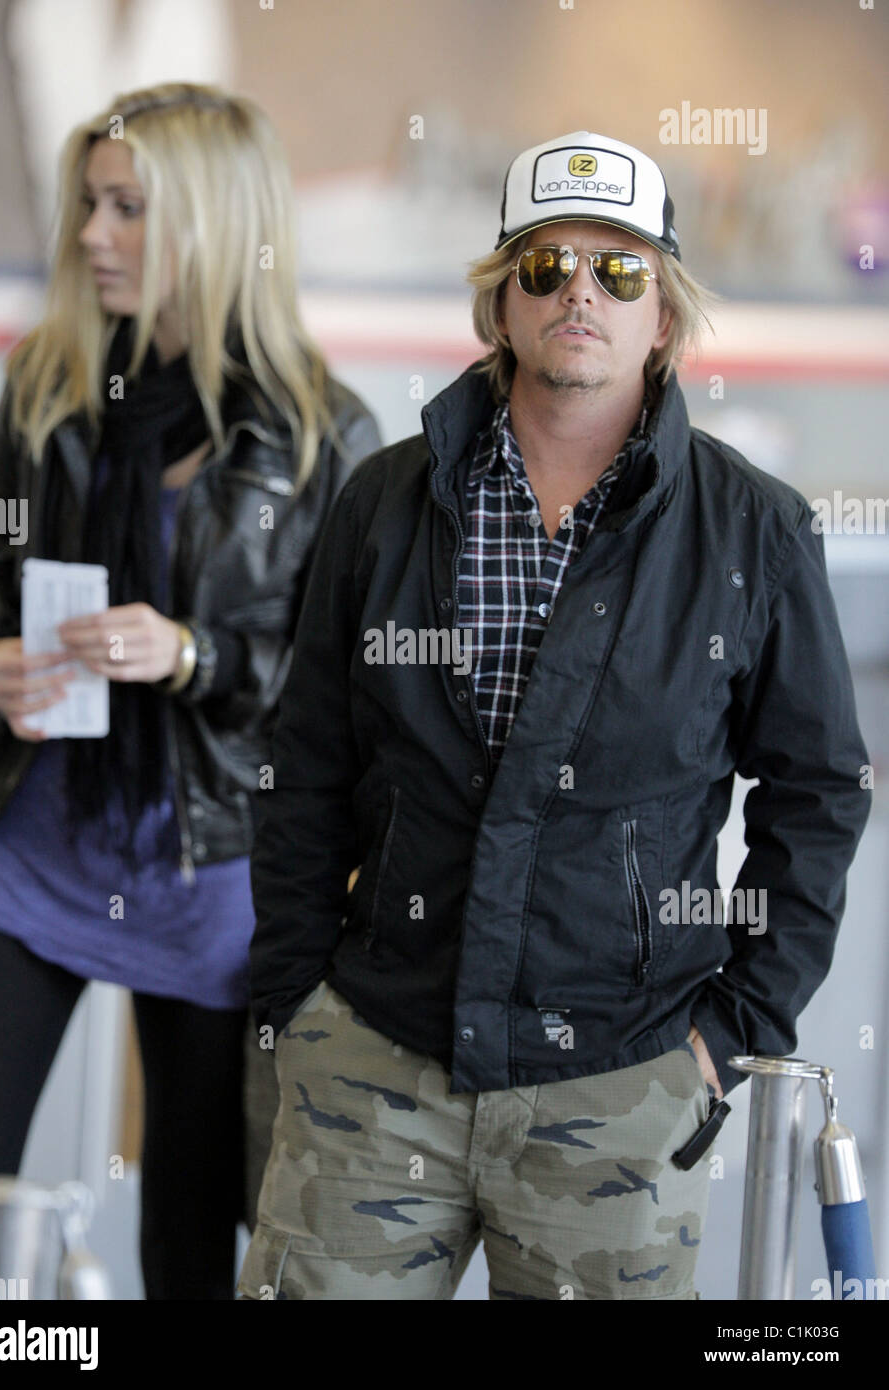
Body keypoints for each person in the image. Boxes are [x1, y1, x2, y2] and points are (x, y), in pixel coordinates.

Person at [237, 129, 870, 1301]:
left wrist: (731, 1029)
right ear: (501, 306)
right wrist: (297, 998)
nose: (580, 291)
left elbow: (821, 791)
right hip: (374, 1065)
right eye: (546, 266)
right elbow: (305, 759)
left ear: (664, 316)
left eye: (619, 270)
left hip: (620, 1093)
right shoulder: (386, 501)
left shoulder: (756, 533)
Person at [0, 80, 380, 1299]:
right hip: (33, 839)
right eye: (91, 204)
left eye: (128, 208)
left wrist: (193, 655)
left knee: (187, 1235)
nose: (92, 235)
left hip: (214, 872)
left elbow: (346, 684)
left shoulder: (321, 436)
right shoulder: (53, 380)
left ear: (215, 222)